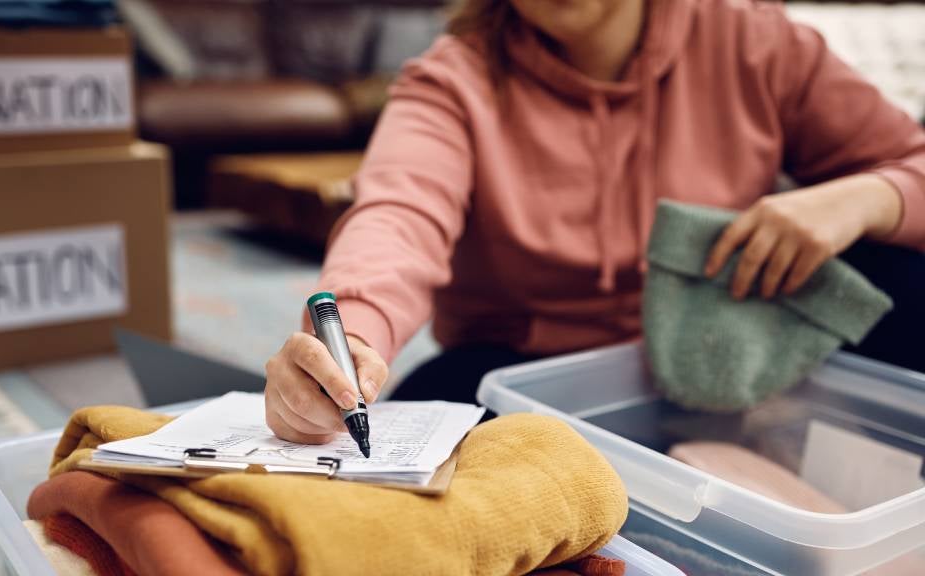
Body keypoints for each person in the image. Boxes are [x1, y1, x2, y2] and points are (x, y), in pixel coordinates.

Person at [263, 0, 925, 444]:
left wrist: (866, 196)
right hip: (522, 366)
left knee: (902, 271)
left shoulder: (756, 38)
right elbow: (396, 217)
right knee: (417, 430)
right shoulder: (451, 82)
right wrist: (350, 336)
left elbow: (910, 163)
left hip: (722, 346)